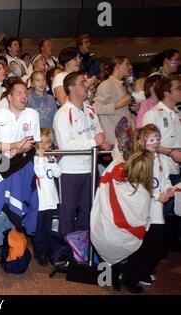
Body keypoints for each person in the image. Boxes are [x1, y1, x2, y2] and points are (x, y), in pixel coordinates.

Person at [91, 149, 169, 293]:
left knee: (116, 245)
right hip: (120, 239)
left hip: (100, 232)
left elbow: (117, 157)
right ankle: (127, 276)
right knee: (159, 246)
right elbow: (142, 226)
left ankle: (109, 275)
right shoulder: (143, 194)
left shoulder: (114, 175)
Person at [52, 71, 110, 236]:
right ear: (71, 88)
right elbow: (66, 145)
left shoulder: (90, 110)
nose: (87, 85)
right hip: (70, 171)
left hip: (90, 169)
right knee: (67, 214)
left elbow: (98, 133)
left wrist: (102, 143)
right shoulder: (63, 114)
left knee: (89, 211)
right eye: (82, 83)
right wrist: (94, 142)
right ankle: (66, 252)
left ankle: (82, 249)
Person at [0, 80, 40, 256]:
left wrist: (15, 149)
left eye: (25, 93)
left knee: (17, 204)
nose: (23, 96)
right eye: (19, 93)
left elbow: (31, 143)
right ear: (9, 97)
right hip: (1, 164)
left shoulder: (32, 114)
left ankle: (11, 241)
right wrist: (13, 146)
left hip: (21, 165)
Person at [143, 75, 181, 250]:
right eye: (178, 88)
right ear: (166, 92)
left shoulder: (176, 113)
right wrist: (171, 152)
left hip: (175, 165)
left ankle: (167, 245)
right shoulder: (153, 114)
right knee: (159, 211)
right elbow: (146, 143)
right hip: (160, 168)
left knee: (173, 208)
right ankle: (152, 249)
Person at [135, 124, 174, 285]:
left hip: (158, 207)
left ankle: (147, 268)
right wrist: (158, 195)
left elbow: (164, 178)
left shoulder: (160, 159)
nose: (155, 141)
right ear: (142, 141)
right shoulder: (141, 160)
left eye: (157, 138)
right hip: (147, 206)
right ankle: (140, 271)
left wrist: (169, 188)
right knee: (148, 241)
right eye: (151, 138)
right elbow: (142, 183)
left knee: (157, 239)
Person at [32, 128, 61, 266]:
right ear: (37, 143)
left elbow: (57, 173)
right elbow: (40, 173)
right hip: (40, 201)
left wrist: (51, 161)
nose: (45, 144)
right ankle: (39, 252)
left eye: (48, 142)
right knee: (39, 229)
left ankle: (46, 251)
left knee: (47, 228)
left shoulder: (50, 157)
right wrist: (42, 158)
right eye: (41, 141)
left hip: (50, 200)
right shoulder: (36, 158)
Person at [93, 56, 133, 144]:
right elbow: (96, 108)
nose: (130, 67)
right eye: (127, 64)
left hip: (124, 137)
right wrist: (118, 105)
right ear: (117, 65)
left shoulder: (122, 85)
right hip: (113, 139)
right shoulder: (106, 85)